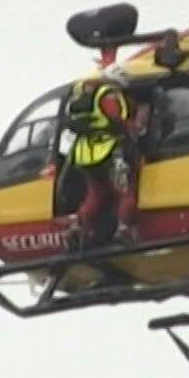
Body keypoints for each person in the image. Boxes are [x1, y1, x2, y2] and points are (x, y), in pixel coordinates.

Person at [62, 67, 143, 248]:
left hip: (85, 153)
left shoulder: (83, 94)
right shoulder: (109, 94)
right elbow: (116, 119)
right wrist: (133, 129)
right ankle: (124, 229)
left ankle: (78, 228)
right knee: (126, 190)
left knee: (96, 192)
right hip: (110, 149)